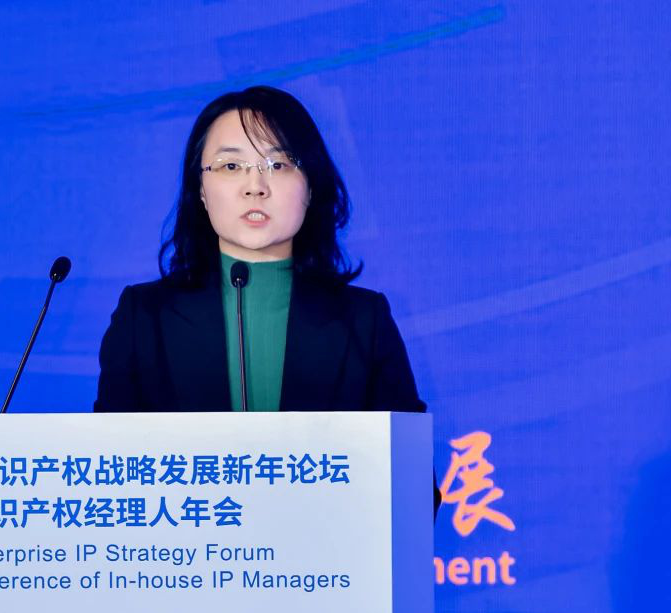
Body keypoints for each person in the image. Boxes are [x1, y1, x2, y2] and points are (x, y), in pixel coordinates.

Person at [95, 85, 429, 427]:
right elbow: (108, 453)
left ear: (311, 186)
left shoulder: (365, 322)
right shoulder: (143, 318)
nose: (255, 186)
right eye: (230, 166)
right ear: (201, 190)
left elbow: (407, 457)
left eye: (278, 164)